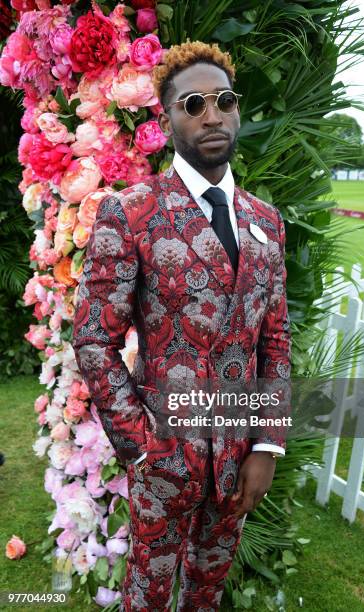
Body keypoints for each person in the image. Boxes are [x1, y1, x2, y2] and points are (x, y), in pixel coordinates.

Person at [73, 41, 291, 612]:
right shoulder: (133, 211)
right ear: (167, 118)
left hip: (239, 457)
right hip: (164, 458)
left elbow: (275, 340)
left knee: (207, 592)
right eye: (192, 103)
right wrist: (142, 448)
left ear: (238, 110)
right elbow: (94, 336)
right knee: (146, 593)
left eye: (224, 100)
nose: (212, 115)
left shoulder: (266, 222)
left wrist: (267, 445)